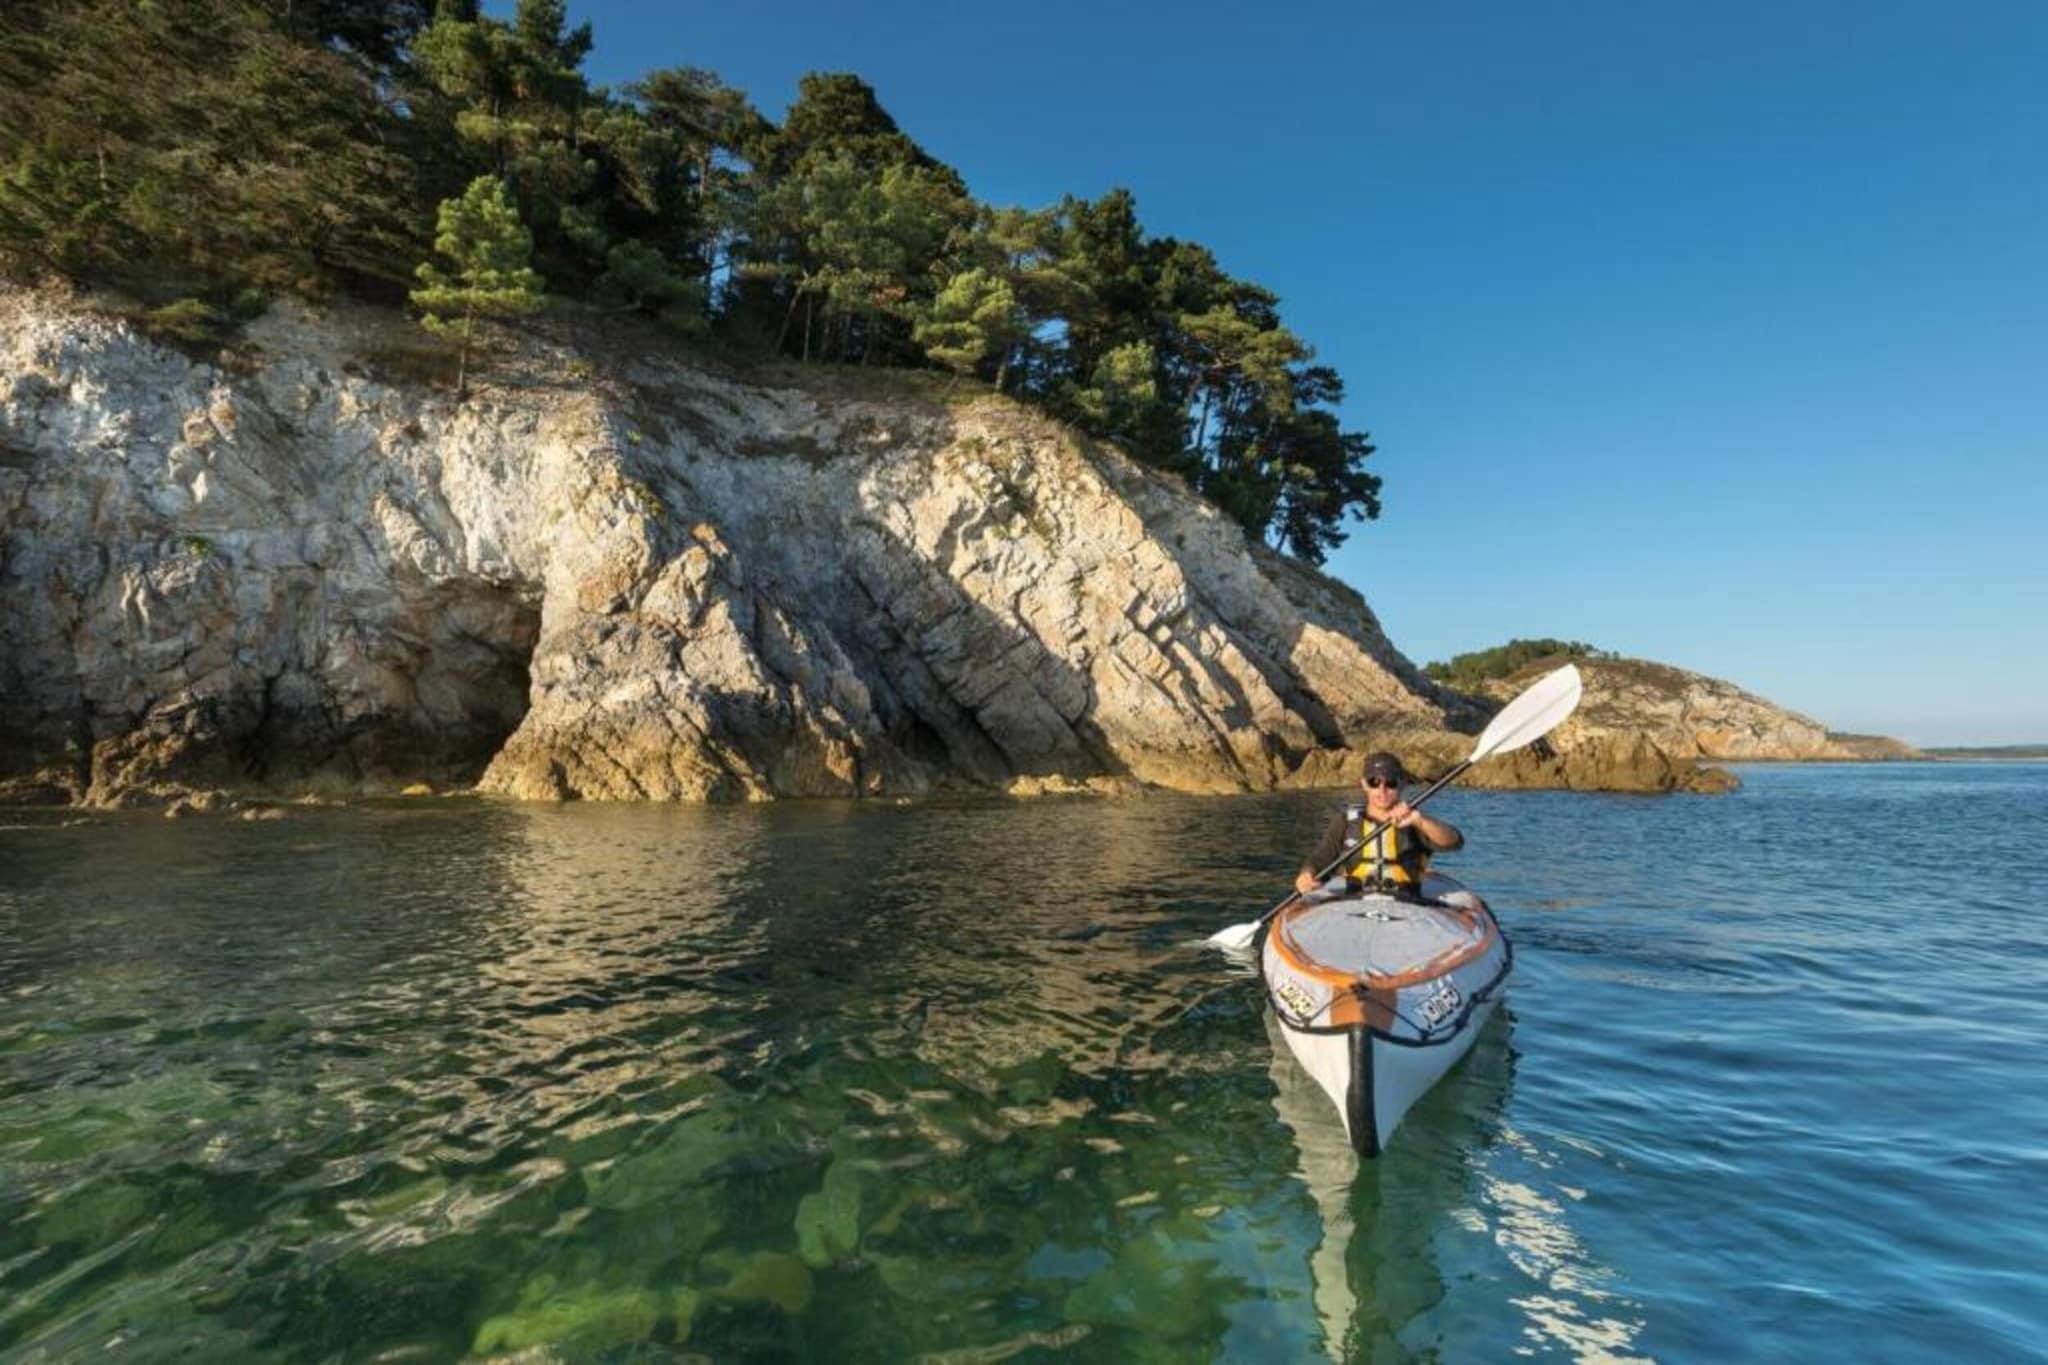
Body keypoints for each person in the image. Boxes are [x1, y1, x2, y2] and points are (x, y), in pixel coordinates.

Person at [1293, 752, 1463, 898]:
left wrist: (1421, 821)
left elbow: (1454, 842)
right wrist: (1307, 874)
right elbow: (1321, 858)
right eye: (1374, 782)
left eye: (1390, 783)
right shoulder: (1346, 822)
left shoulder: (1414, 820)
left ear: (1402, 784)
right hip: (1355, 900)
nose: (1382, 790)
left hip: (1407, 901)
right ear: (1364, 784)